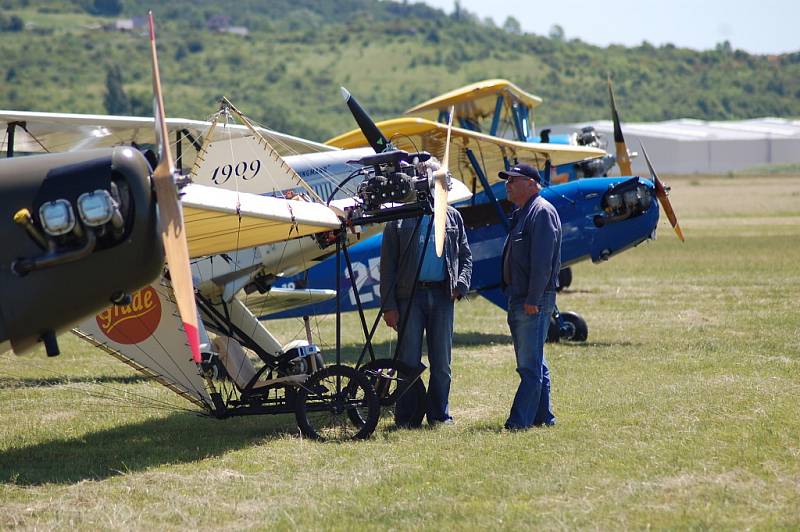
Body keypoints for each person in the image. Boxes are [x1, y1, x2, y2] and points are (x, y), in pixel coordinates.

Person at [380, 194, 471, 427]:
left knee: (442, 363)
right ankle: (408, 417)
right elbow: (387, 265)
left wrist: (460, 285)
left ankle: (439, 415)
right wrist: (389, 305)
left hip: (443, 296)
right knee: (408, 361)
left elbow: (465, 256)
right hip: (409, 297)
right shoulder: (398, 220)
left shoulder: (453, 216)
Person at [499, 163, 561, 430]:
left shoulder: (541, 212)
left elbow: (543, 263)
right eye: (507, 180)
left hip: (532, 299)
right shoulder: (522, 212)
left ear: (532, 184)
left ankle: (518, 422)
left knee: (528, 367)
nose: (508, 184)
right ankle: (542, 417)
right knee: (534, 360)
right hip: (520, 296)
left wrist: (534, 299)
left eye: (514, 180)